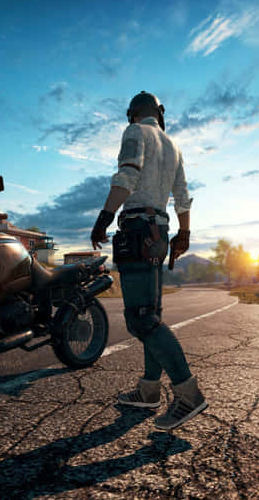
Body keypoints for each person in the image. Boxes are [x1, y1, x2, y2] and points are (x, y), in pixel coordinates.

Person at [90, 91, 207, 430]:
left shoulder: (134, 133)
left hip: (137, 228)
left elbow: (127, 175)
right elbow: (183, 197)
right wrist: (183, 235)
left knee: (141, 321)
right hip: (160, 229)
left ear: (132, 114)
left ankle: (188, 394)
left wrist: (104, 217)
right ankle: (149, 390)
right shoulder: (173, 146)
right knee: (151, 317)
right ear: (158, 112)